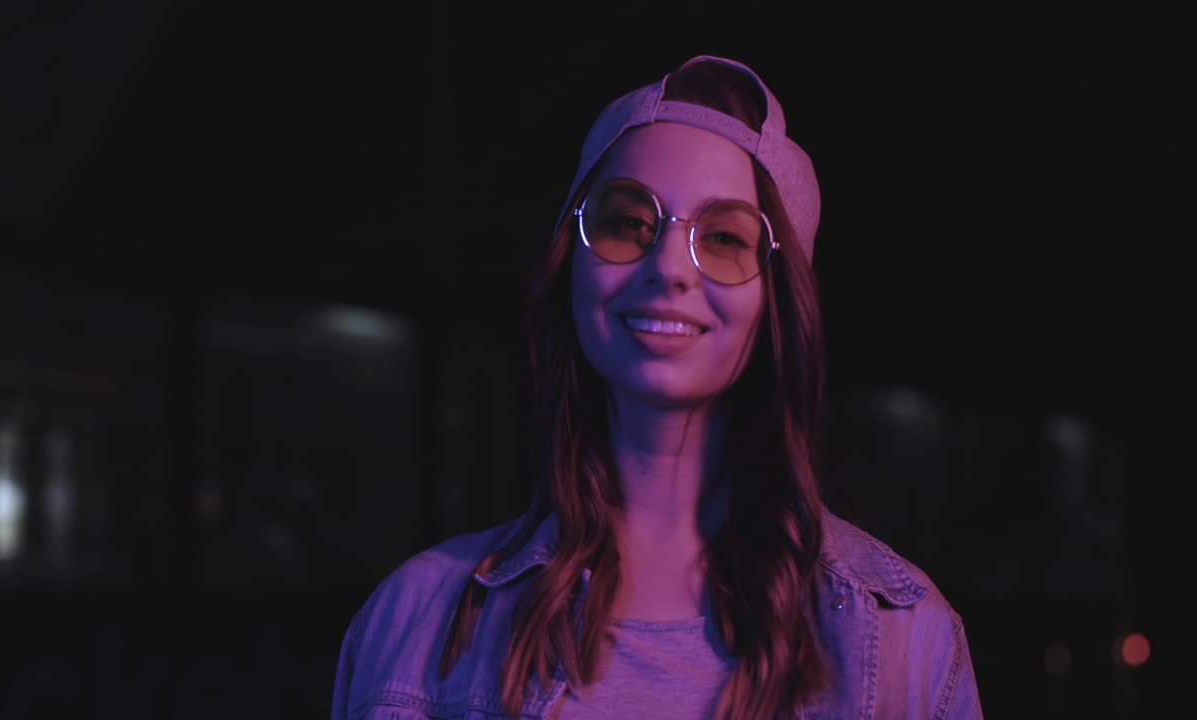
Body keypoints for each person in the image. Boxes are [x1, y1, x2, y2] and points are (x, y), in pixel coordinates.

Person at [331, 54, 984, 719]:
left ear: (780, 303)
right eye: (627, 223)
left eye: (725, 237)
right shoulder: (414, 624)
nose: (669, 266)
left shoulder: (904, 636)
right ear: (573, 269)